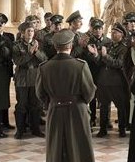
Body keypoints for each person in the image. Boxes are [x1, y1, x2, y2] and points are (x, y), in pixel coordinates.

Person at [36, 29, 97, 162]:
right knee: (79, 147)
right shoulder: (80, 65)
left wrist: (51, 103)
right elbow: (90, 91)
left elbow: (40, 93)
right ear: (70, 45)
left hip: (54, 110)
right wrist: (82, 102)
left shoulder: (44, 67)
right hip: (77, 110)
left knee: (56, 147)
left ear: (55, 46)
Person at [89, 23, 130, 138]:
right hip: (104, 81)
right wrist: (96, 55)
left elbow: (118, 64)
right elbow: (99, 63)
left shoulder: (124, 48)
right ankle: (103, 129)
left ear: (121, 34)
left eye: (115, 32)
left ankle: (122, 129)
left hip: (116, 82)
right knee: (103, 106)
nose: (112, 34)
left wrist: (105, 56)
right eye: (112, 32)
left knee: (120, 107)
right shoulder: (107, 45)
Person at [12, 21, 48, 139]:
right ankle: (20, 130)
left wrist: (36, 52)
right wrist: (29, 53)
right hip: (22, 78)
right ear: (22, 33)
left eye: (32, 31)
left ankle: (35, 129)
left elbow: (44, 59)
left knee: (36, 105)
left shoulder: (39, 44)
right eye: (28, 31)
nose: (31, 33)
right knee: (21, 105)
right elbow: (18, 61)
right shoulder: (17, 45)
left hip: (35, 78)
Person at [81, 18, 111, 127]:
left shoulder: (108, 41)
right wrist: (97, 56)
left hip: (104, 72)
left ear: (103, 29)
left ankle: (106, 119)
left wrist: (99, 56)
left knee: (105, 97)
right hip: (92, 71)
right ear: (92, 30)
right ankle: (92, 118)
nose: (98, 31)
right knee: (93, 96)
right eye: (95, 29)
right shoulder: (88, 42)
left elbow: (108, 57)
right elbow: (87, 57)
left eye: (100, 28)